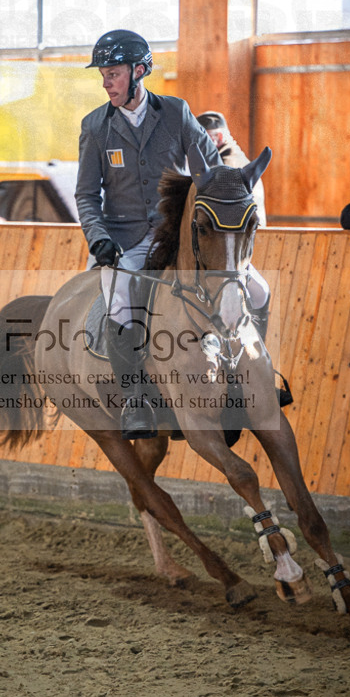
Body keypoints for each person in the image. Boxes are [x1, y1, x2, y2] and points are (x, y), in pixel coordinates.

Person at [75, 29, 221, 439]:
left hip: (177, 233)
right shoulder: (95, 127)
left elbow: (209, 171)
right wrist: (98, 237)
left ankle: (249, 382)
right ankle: (136, 399)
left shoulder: (176, 113)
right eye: (103, 76)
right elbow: (86, 194)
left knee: (248, 288)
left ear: (139, 71)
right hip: (126, 239)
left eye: (114, 74)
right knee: (121, 302)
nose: (106, 83)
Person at [197, 110, 267, 226]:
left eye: (202, 138)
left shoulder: (228, 167)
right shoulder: (233, 158)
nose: (198, 143)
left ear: (218, 137)